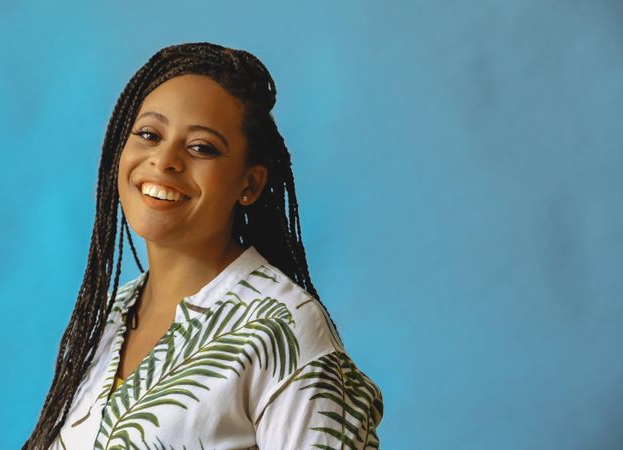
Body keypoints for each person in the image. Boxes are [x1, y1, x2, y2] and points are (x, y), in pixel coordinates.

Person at [23, 42, 384, 450]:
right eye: (149, 134)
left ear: (248, 185)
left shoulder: (285, 329)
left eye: (201, 147)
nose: (165, 160)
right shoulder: (103, 319)